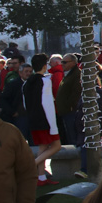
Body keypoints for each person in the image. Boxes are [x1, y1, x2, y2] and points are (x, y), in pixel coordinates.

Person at [22, 54, 62, 185]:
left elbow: (24, 103)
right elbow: (47, 104)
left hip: (33, 118)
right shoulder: (45, 81)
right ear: (45, 66)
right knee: (56, 145)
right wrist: (52, 124)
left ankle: (41, 177)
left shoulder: (26, 83)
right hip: (45, 119)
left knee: (43, 147)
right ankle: (31, 167)